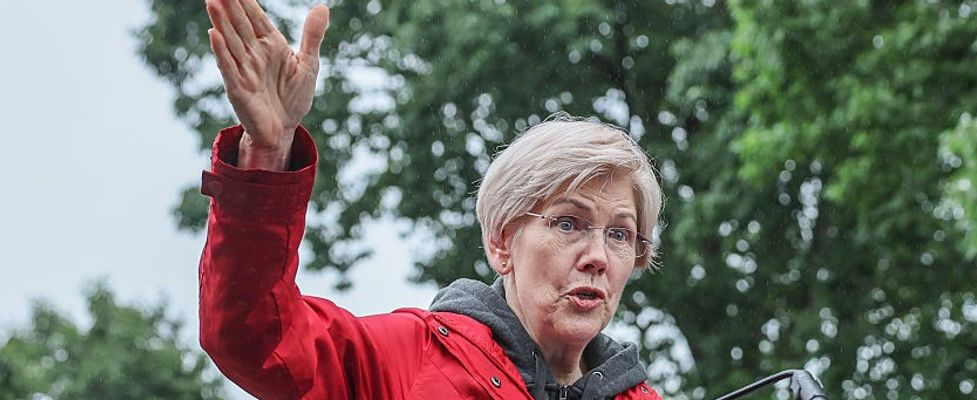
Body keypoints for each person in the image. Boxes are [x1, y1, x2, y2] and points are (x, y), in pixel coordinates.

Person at [197, 0, 665, 399]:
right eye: (568, 223)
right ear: (502, 242)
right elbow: (256, 336)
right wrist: (268, 151)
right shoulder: (402, 363)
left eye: (620, 234)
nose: (598, 257)